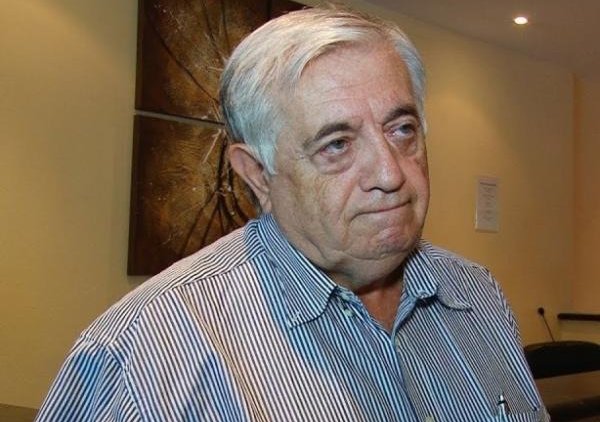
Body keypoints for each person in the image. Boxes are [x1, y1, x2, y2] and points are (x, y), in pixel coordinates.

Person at [36, 6, 548, 421]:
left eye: (402, 130)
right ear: (258, 174)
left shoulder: (477, 296)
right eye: (336, 144)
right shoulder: (145, 354)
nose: (390, 173)